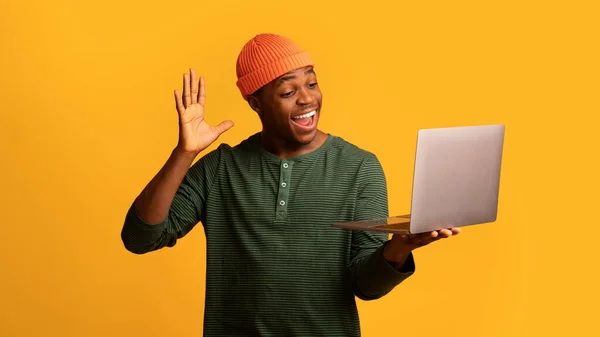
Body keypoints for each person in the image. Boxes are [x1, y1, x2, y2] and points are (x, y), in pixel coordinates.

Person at [121, 33, 460, 336]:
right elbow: (139, 238)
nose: (306, 100)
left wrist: (399, 248)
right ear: (255, 102)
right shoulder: (221, 169)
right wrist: (184, 153)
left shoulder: (359, 167)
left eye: (311, 84)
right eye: (287, 91)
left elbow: (365, 285)